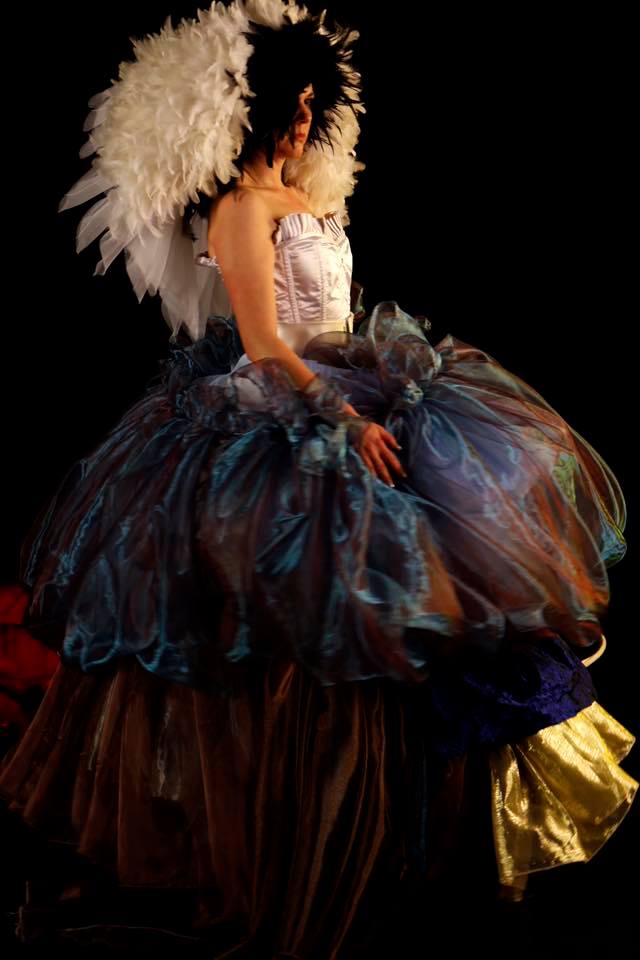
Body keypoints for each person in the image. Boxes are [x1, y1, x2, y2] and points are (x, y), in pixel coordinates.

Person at [1, 1, 637, 955]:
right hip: (281, 412)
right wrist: (339, 416)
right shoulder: (239, 208)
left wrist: (372, 389)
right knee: (298, 629)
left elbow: (333, 314)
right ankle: (291, 845)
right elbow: (264, 343)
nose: (302, 122)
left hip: (352, 381)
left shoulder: (309, 199)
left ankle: (395, 845)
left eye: (311, 106)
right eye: (289, 106)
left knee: (420, 602)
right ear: (251, 110)